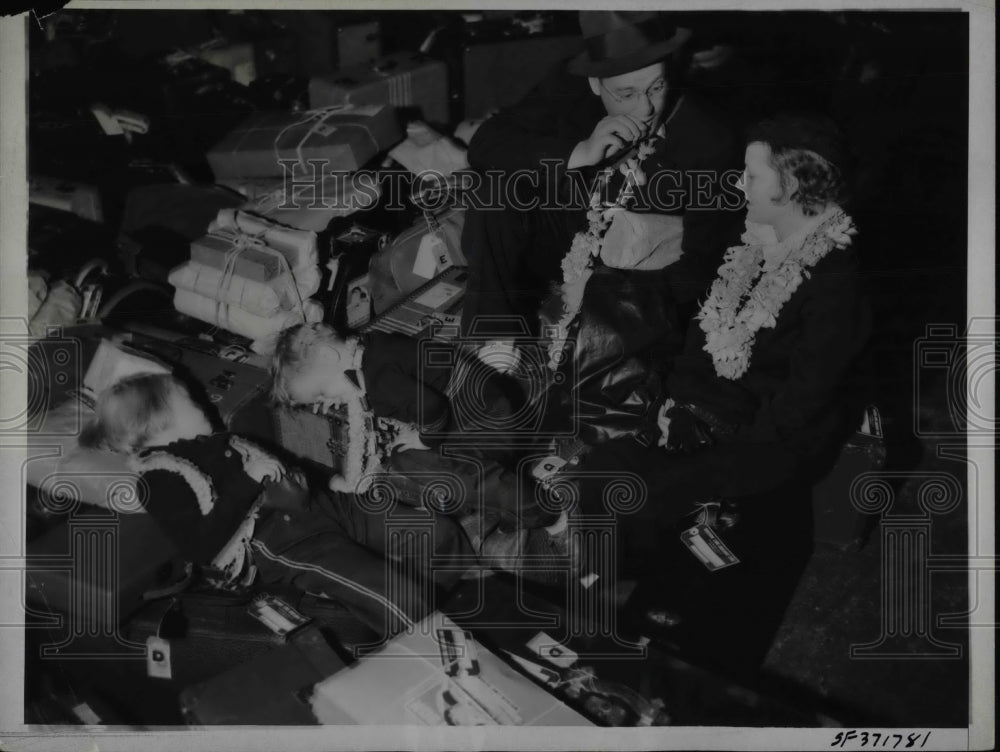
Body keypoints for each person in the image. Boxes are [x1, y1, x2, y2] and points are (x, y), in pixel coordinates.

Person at [571, 113, 872, 668]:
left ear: (793, 186)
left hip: (775, 436)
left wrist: (720, 453)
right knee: (602, 467)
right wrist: (675, 406)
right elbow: (701, 335)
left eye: (751, 177)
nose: (739, 184)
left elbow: (804, 400)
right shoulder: (754, 241)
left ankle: (656, 618)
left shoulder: (837, 281)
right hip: (711, 406)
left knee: (650, 488)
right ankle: (618, 575)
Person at [79, 371, 474, 640]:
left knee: (439, 534)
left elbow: (283, 467)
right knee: (395, 595)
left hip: (325, 507)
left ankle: (423, 612)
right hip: (279, 541)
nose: (199, 400)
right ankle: (428, 646)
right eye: (186, 400)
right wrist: (252, 485)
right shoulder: (160, 477)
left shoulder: (217, 441)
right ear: (158, 425)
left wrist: (312, 482)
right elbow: (201, 547)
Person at [459, 10, 742, 355]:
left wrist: (600, 290)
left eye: (657, 86)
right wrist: (577, 152)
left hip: (634, 282)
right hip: (566, 239)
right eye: (626, 94)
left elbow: (701, 269)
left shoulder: (712, 139)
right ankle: (493, 344)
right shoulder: (569, 87)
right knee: (496, 193)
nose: (647, 107)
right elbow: (486, 143)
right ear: (595, 84)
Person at [269, 322, 570, 545]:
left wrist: (424, 437)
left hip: (487, 419)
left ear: (328, 355)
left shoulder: (378, 379)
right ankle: (505, 501)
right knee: (408, 457)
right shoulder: (367, 348)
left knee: (430, 466)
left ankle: (546, 513)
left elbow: (431, 405)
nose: (327, 403)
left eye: (321, 393)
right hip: (482, 403)